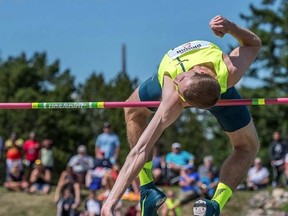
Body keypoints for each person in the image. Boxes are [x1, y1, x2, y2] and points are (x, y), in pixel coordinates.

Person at [101, 15, 261, 216]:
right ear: (200, 72)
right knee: (132, 110)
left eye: (181, 81)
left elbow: (140, 150)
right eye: (181, 81)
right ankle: (147, 188)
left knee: (248, 147)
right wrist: (230, 27)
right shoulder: (223, 72)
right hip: (181, 83)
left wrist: (110, 201)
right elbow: (254, 43)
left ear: (187, 103)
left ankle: (214, 205)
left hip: (201, 91)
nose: (177, 80)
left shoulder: (183, 92)